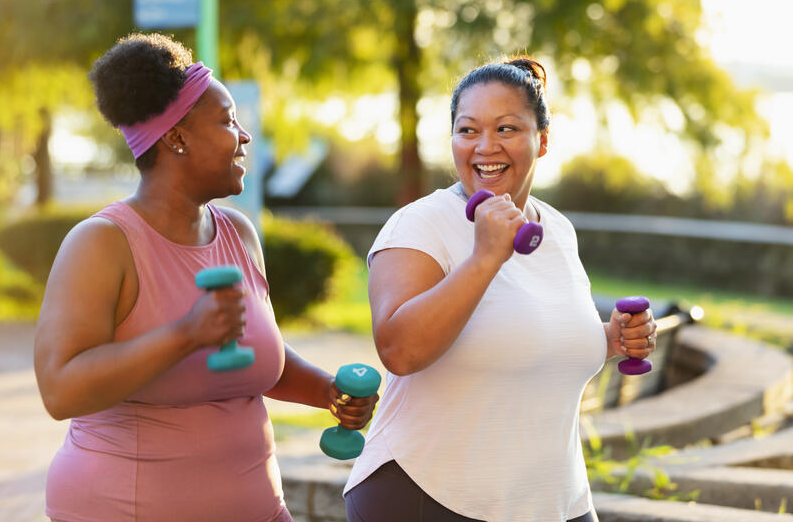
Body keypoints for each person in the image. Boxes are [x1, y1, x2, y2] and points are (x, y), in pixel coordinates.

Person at [33, 33, 378, 522]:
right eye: (227, 120)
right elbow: (61, 389)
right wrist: (185, 334)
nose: (244, 136)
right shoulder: (101, 243)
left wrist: (326, 393)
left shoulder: (237, 232)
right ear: (176, 137)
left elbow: (260, 359)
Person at [343, 56, 657, 522]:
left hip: (555, 503)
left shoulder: (558, 229)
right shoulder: (419, 224)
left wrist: (608, 339)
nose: (485, 146)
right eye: (467, 130)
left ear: (543, 140)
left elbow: (524, 338)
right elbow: (400, 350)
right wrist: (485, 257)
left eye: (507, 129)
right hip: (428, 497)